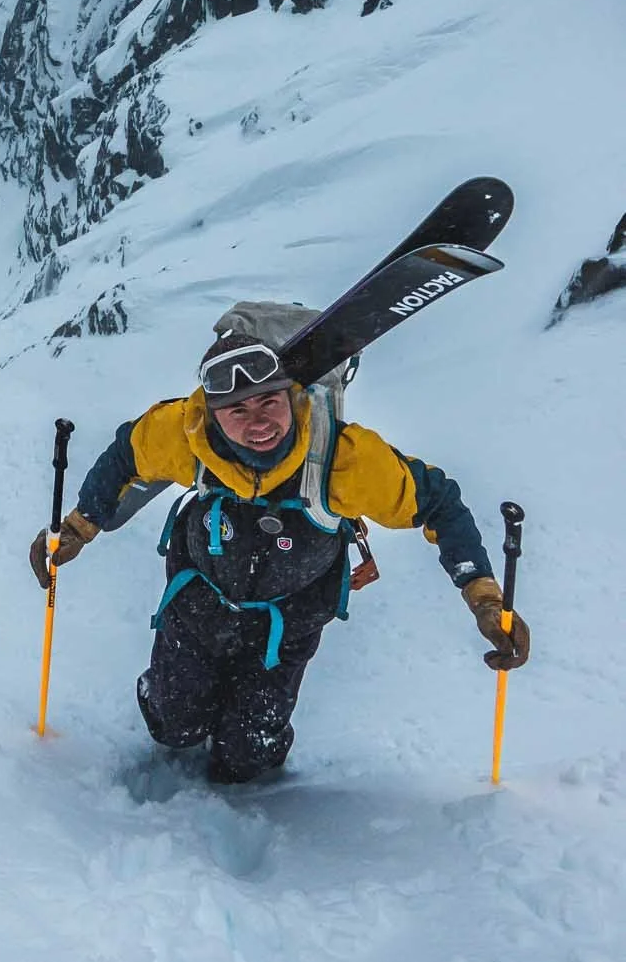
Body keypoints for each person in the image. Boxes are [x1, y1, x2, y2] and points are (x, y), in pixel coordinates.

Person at [28, 321, 531, 784]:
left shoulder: (342, 459)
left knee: (245, 758)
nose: (258, 422)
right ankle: (175, 697)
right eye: (237, 410)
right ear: (212, 412)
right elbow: (126, 455)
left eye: (269, 401)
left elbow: (438, 502)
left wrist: (484, 598)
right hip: (198, 603)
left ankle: (243, 725)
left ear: (290, 396)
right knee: (172, 727)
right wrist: (77, 527)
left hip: (286, 622)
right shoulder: (183, 432)